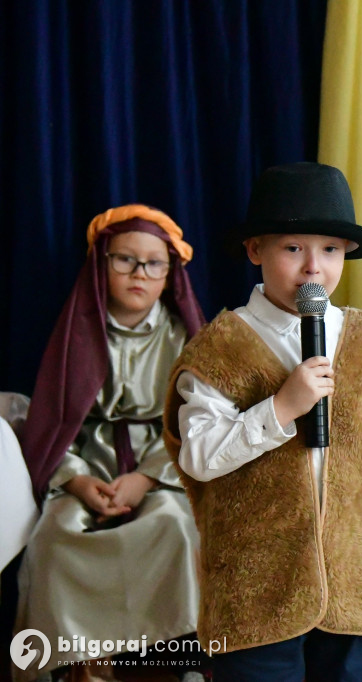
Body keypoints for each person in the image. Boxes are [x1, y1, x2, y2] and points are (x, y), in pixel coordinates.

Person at [164, 162, 362, 682]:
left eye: (330, 250)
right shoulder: (218, 348)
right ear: (255, 250)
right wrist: (279, 409)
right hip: (256, 596)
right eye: (293, 249)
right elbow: (197, 458)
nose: (314, 267)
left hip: (357, 590)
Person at [16, 205, 206, 682]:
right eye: (124, 260)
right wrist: (76, 480)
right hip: (87, 463)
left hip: (161, 464)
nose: (139, 274)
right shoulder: (76, 332)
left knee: (177, 528)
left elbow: (195, 419)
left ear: (169, 274)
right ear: (101, 265)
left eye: (153, 263)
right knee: (55, 537)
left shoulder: (183, 336)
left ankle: (181, 663)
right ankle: (81, 663)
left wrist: (146, 478)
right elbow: (53, 421)